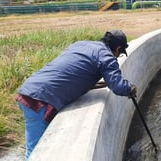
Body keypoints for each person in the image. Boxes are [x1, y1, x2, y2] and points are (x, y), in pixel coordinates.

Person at [16, 30, 137, 160]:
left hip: (30, 90)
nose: (117, 57)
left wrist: (89, 84)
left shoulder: (80, 45)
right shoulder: (106, 56)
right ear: (118, 49)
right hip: (40, 101)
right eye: (119, 54)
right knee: (36, 153)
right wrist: (130, 88)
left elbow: (71, 68)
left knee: (34, 147)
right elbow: (117, 86)